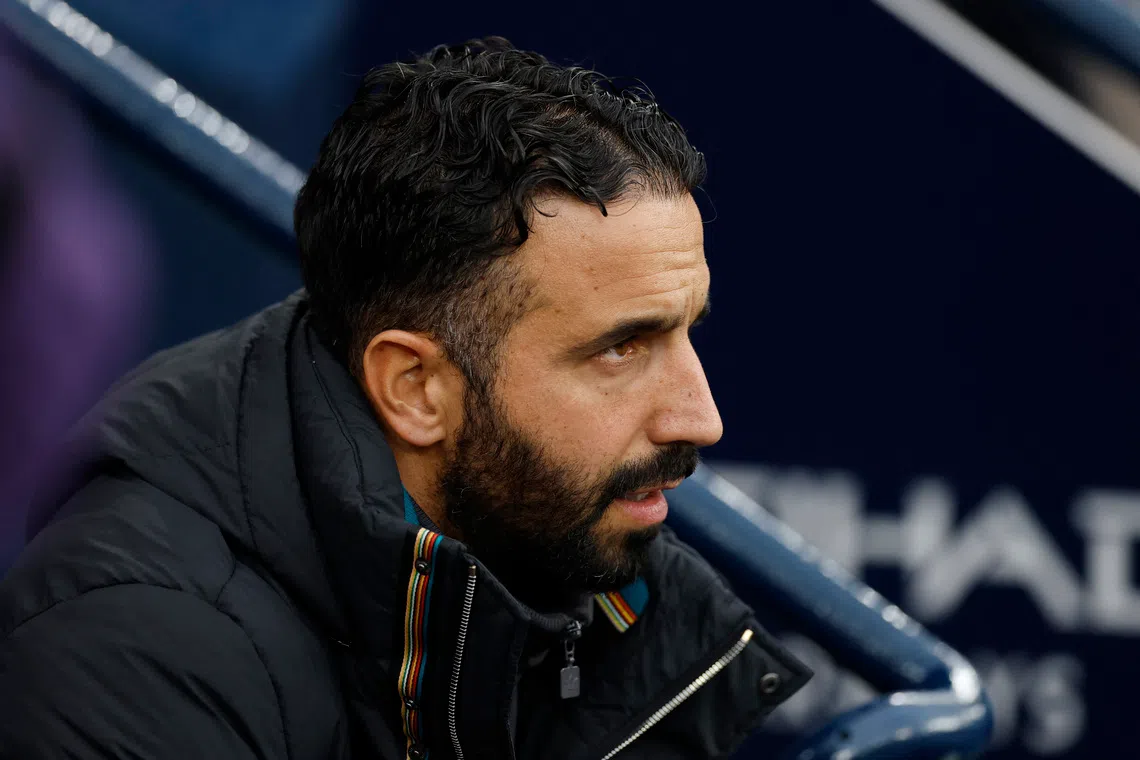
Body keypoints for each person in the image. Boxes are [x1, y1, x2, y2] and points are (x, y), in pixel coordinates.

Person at [0, 38, 810, 759]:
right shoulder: (137, 651)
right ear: (415, 388)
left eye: (686, 333)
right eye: (622, 348)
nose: (700, 418)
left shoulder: (574, 574)